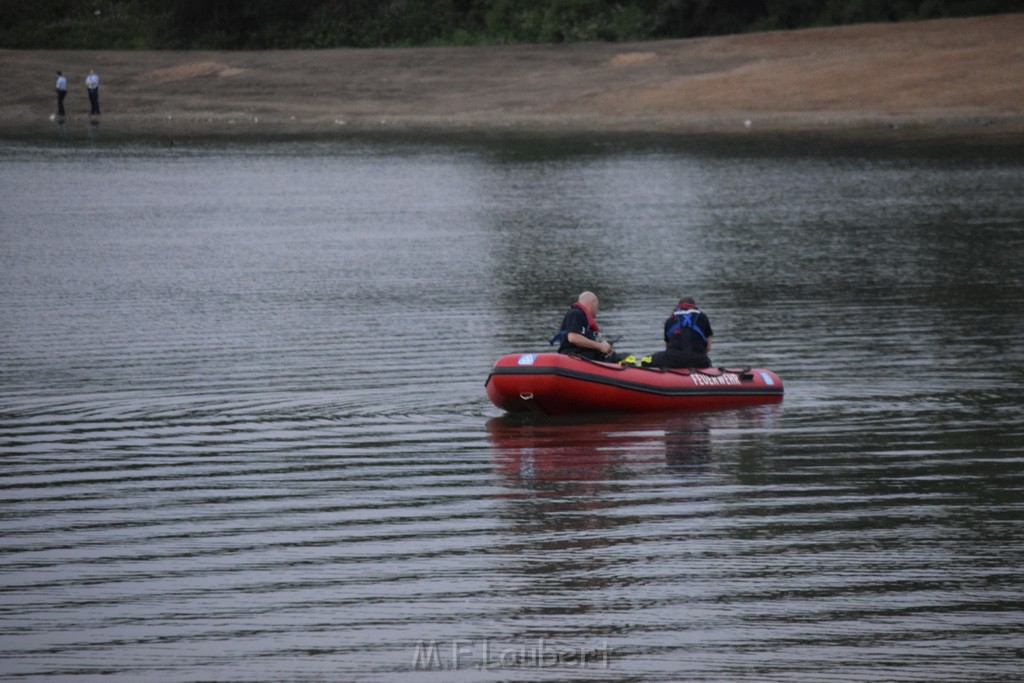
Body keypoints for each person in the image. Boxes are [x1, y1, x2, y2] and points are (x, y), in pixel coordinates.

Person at [551, 291, 622, 362]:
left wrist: (605, 348)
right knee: (626, 356)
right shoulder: (575, 313)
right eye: (597, 306)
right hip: (575, 357)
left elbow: (589, 344)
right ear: (592, 302)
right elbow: (573, 338)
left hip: (588, 359)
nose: (597, 310)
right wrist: (600, 346)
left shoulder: (587, 324)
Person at [648, 297, 714, 369]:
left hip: (674, 358)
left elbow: (667, 347)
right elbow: (708, 347)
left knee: (646, 360)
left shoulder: (670, 319)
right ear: (694, 306)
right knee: (707, 361)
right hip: (699, 360)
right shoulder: (703, 317)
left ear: (678, 306)